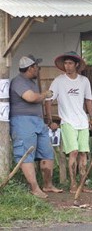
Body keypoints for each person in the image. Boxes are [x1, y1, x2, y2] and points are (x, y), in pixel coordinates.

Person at [9, 55, 62, 198]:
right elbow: (30, 98)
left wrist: (47, 119)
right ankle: (34, 188)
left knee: (47, 152)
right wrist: (45, 94)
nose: (38, 69)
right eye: (36, 67)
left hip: (38, 121)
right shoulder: (18, 81)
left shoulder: (32, 82)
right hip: (22, 122)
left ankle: (48, 185)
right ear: (31, 68)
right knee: (26, 154)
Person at [45, 51, 92, 193]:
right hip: (67, 121)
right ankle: (72, 184)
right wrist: (50, 120)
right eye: (65, 63)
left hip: (82, 120)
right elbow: (48, 100)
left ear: (76, 65)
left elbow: (88, 100)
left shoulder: (84, 81)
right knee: (73, 152)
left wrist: (91, 119)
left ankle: (82, 184)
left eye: (70, 63)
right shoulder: (59, 81)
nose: (67, 66)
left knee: (83, 152)